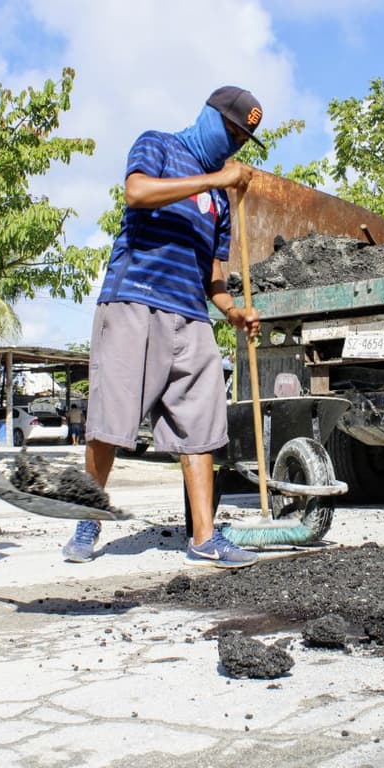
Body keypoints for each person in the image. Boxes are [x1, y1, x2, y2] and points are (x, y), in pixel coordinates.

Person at [63, 86, 264, 568]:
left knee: (202, 426)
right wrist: (215, 176)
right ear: (210, 117)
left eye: (244, 140)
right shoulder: (158, 144)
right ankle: (86, 520)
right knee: (112, 420)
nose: (235, 144)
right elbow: (137, 193)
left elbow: (213, 274)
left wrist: (233, 311)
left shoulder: (220, 199)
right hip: (134, 301)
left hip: (192, 315)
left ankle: (203, 536)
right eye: (233, 131)